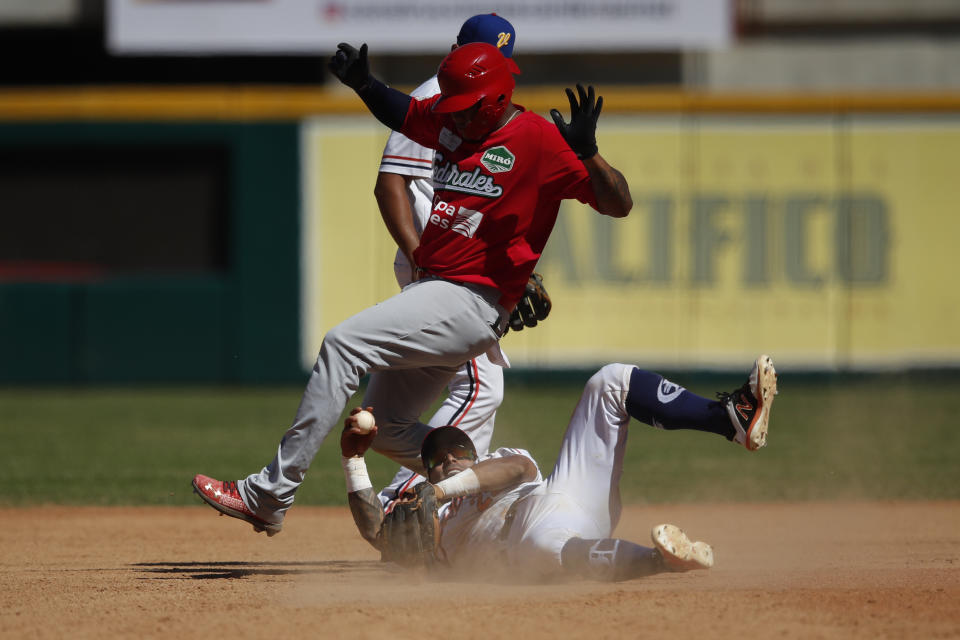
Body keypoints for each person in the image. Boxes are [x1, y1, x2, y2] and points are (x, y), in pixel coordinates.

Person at [192, 35, 634, 536]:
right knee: (386, 427)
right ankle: (485, 484)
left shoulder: (538, 140)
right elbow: (401, 112)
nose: (458, 118)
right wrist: (364, 84)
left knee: (341, 345)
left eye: (468, 109)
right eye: (453, 108)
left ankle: (271, 494)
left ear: (497, 98)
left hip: (471, 300)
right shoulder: (449, 124)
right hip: (438, 295)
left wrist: (591, 155)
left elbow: (619, 204)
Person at [341, 355, 778, 582]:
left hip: (561, 499)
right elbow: (379, 531)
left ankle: (729, 419)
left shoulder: (489, 465)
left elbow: (515, 471)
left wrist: (441, 489)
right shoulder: (429, 517)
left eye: (459, 451)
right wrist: (353, 459)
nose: (452, 458)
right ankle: (662, 560)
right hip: (527, 545)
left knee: (610, 382)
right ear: (426, 470)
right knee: (540, 548)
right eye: (439, 461)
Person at [372, 13, 519, 504]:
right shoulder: (437, 95)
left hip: (452, 266)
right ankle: (408, 498)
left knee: (406, 411)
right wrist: (419, 256)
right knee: (481, 388)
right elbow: (390, 180)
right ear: (457, 48)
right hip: (436, 267)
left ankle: (416, 495)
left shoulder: (478, 103)